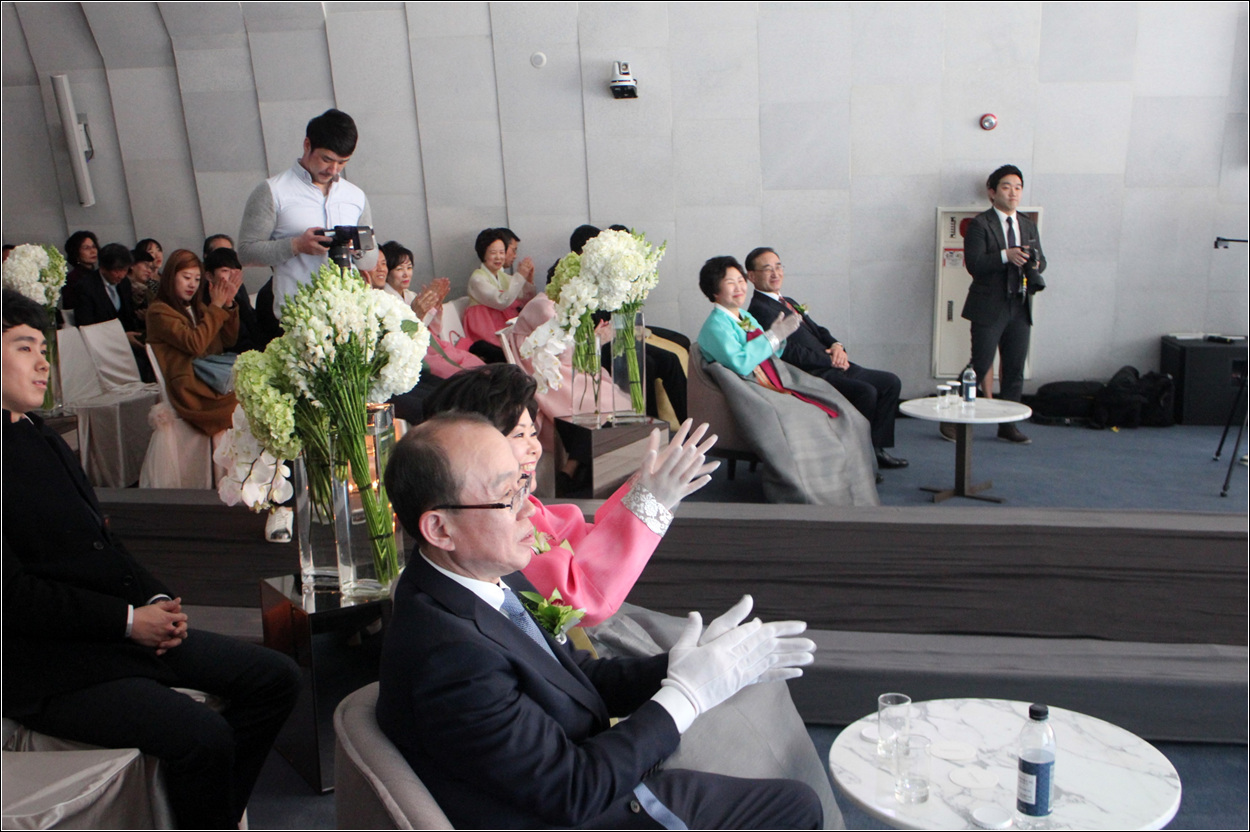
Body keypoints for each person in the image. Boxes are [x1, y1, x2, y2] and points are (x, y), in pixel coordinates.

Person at [375, 412, 821, 829]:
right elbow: (573, 791)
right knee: (796, 807)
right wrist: (687, 695)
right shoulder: (450, 658)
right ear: (440, 529)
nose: (529, 509)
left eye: (523, 483)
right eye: (507, 497)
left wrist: (683, 665)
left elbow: (574, 675)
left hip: (584, 768)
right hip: (579, 808)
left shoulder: (482, 573)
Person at [1, 288, 300, 829]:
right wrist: (127, 621)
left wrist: (155, 598)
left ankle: (213, 814)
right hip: (50, 666)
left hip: (114, 631)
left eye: (43, 348)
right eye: (25, 348)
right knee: (202, 736)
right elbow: (13, 596)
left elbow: (102, 540)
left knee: (276, 678)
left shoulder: (36, 434)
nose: (44, 362)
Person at [422, 364, 717, 625]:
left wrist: (647, 493)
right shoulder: (488, 525)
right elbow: (578, 598)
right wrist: (648, 504)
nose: (534, 448)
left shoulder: (523, 505)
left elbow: (588, 543)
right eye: (518, 435)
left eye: (533, 433)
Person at [696, 256, 879, 505]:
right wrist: (773, 336)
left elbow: (772, 351)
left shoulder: (742, 316)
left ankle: (850, 479)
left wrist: (779, 337)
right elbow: (740, 363)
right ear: (714, 291)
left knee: (843, 411)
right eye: (730, 282)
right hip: (754, 389)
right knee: (813, 419)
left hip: (773, 381)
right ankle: (817, 488)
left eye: (740, 280)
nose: (739, 287)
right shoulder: (715, 325)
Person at [746, 247, 907, 471]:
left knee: (890, 382)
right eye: (767, 269)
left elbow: (819, 330)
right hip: (812, 374)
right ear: (752, 276)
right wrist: (828, 360)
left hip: (834, 364)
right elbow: (788, 352)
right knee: (866, 392)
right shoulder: (759, 310)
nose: (775, 273)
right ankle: (857, 459)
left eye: (778, 266)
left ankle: (876, 449)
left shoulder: (787, 300)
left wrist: (836, 345)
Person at [238, 108, 372, 321]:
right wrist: (296, 246)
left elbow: (370, 260)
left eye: (342, 162)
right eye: (327, 159)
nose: (334, 169)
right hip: (298, 319)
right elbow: (246, 252)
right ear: (307, 145)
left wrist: (356, 248)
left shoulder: (355, 196)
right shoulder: (273, 191)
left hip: (350, 316)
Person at [958, 164, 1047, 445]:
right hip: (989, 306)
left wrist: (1034, 264)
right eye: (1007, 187)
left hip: (1019, 304)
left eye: (1018, 188)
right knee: (980, 364)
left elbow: (1042, 261)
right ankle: (953, 420)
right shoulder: (980, 224)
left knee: (1014, 368)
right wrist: (1005, 255)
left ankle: (1008, 425)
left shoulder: (1027, 224)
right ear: (992, 192)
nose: (1013, 193)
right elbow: (975, 265)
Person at [145, 249, 242, 436]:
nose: (192, 284)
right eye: (186, 277)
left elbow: (228, 340)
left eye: (197, 280)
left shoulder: (197, 307)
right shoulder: (159, 312)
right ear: (171, 277)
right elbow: (195, 344)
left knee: (256, 389)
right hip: (191, 390)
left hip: (211, 379)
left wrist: (228, 304)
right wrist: (216, 307)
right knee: (250, 398)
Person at [461, 227, 535, 359]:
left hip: (501, 329)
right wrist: (520, 276)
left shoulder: (502, 276)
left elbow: (524, 298)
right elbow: (501, 301)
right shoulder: (477, 279)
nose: (498, 257)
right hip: (485, 330)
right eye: (493, 253)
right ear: (483, 254)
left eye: (502, 252)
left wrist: (527, 280)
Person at [61, 229, 100, 310]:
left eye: (94, 247)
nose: (93, 251)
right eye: (86, 248)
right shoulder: (72, 279)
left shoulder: (98, 274)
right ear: (76, 253)